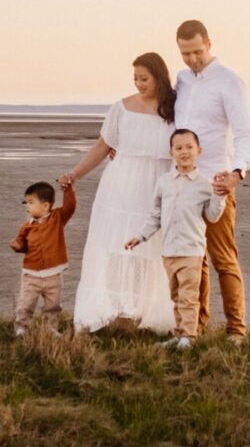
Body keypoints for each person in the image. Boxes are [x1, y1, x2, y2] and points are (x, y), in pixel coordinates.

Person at [60, 53, 177, 333]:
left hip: (160, 184)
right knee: (117, 247)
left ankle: (146, 313)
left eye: (144, 78)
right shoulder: (121, 108)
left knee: (153, 251)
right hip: (122, 185)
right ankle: (118, 309)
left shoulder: (176, 107)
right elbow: (103, 146)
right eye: (135, 78)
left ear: (159, 77)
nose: (138, 83)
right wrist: (75, 174)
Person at [173, 20, 250, 345]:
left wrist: (237, 173)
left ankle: (237, 330)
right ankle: (198, 326)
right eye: (184, 53)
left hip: (216, 182)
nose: (192, 59)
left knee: (223, 257)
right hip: (183, 182)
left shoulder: (229, 82)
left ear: (209, 43)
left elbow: (244, 132)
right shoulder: (181, 80)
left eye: (196, 51)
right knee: (195, 258)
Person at [124, 129, 226, 350]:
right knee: (176, 296)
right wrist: (139, 236)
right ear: (171, 153)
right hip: (169, 250)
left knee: (189, 296)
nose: (184, 152)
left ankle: (189, 337)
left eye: (189, 147)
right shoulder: (164, 182)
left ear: (199, 150)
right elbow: (155, 216)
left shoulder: (204, 184)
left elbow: (213, 215)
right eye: (179, 148)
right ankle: (180, 334)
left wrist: (220, 195)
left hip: (192, 250)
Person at [9, 181, 76, 336]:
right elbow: (22, 244)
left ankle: (50, 328)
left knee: (53, 305)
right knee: (26, 303)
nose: (27, 206)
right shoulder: (26, 226)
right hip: (31, 275)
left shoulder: (57, 219)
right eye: (26, 202)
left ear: (45, 206)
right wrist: (17, 246)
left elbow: (70, 207)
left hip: (54, 275)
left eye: (31, 202)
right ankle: (21, 327)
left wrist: (68, 190)